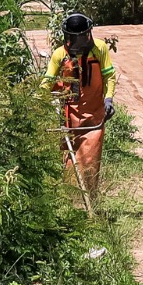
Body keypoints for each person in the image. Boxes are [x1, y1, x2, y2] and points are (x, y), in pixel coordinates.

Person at [42, 13, 117, 198]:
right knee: (70, 160)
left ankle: (89, 199)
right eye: (74, 38)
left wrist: (108, 99)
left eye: (82, 37)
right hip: (69, 118)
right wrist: (36, 101)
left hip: (94, 118)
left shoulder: (99, 49)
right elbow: (47, 81)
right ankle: (71, 201)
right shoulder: (60, 54)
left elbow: (109, 76)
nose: (79, 42)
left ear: (88, 34)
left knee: (90, 160)